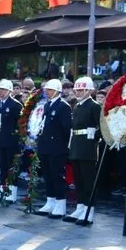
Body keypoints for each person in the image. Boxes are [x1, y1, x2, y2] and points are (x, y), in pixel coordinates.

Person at [64, 77, 101, 225]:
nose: (78, 93)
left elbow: (103, 127)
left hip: (88, 147)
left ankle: (89, 210)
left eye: (81, 90)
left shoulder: (94, 106)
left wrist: (93, 135)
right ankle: (80, 207)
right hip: (77, 145)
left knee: (88, 180)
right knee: (78, 179)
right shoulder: (77, 106)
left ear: (89, 90)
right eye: (77, 90)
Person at [34, 79, 72, 218]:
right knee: (48, 176)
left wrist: (62, 146)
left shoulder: (63, 106)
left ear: (57, 91)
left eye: (49, 90)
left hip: (57, 148)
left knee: (57, 176)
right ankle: (50, 201)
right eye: (46, 89)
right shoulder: (48, 105)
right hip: (46, 146)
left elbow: (66, 128)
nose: (47, 92)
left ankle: (60, 204)